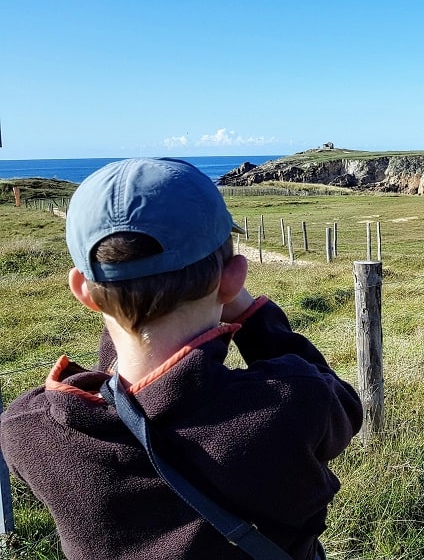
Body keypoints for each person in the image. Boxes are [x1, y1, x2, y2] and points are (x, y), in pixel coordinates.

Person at [0, 158, 363, 559]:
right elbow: (345, 403)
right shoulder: (293, 404)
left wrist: (130, 308)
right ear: (233, 277)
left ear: (83, 290)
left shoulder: (26, 431)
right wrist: (251, 314)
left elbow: (132, 397)